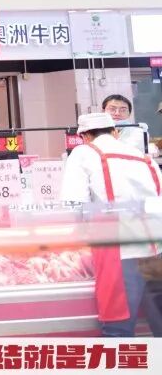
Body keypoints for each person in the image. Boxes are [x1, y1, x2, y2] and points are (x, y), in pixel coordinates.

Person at [61, 112, 162, 337]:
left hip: (120, 252)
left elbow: (74, 205)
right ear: (115, 132)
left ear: (85, 136)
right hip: (156, 249)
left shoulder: (83, 153)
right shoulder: (143, 157)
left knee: (118, 330)